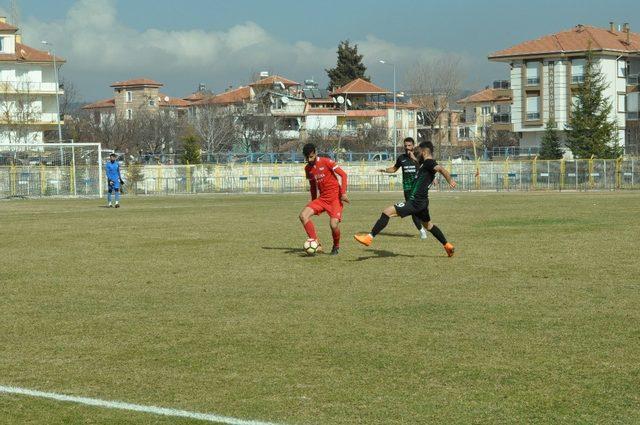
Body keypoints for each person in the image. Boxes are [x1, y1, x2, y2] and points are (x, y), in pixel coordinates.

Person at [355, 141, 456, 257]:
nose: (417, 153)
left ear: (424, 151)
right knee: (428, 226)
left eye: (419, 151)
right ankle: (447, 245)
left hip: (415, 202)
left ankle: (369, 237)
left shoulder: (429, 162)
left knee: (387, 212)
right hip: (422, 202)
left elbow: (441, 169)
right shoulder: (424, 164)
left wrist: (450, 180)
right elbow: (427, 171)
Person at [299, 143, 349, 255]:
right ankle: (316, 243)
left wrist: (343, 193)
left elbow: (343, 175)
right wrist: (313, 201)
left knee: (333, 225)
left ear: (315, 153)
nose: (309, 159)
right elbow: (313, 186)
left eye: (311, 156)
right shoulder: (308, 169)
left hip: (335, 199)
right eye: (307, 157)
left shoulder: (327, 162)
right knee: (303, 216)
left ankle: (336, 246)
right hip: (322, 199)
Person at [378, 137, 428, 239]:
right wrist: (384, 170)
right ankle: (422, 231)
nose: (407, 147)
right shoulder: (401, 158)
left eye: (409, 145)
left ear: (413, 146)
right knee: (413, 211)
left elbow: (425, 168)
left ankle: (425, 228)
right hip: (407, 189)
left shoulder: (418, 157)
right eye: (405, 146)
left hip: (417, 188)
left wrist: (433, 178)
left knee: (419, 210)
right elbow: (394, 168)